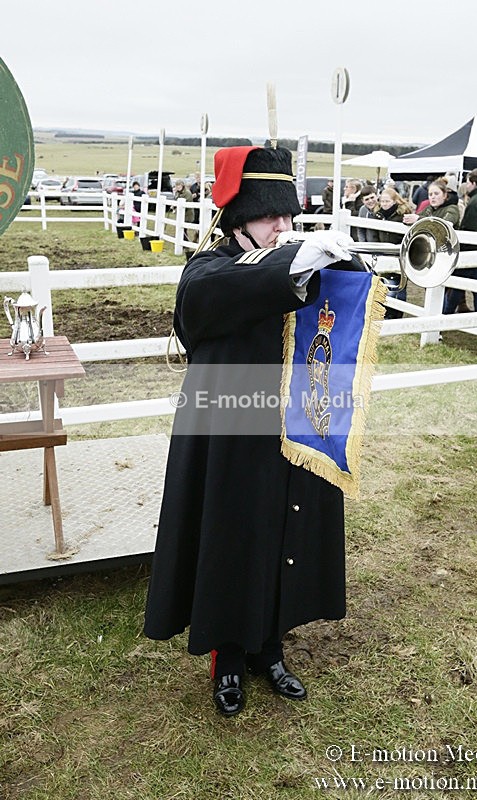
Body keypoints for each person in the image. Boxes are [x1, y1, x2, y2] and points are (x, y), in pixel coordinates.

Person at [144, 145, 364, 717]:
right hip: (231, 429)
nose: (283, 228)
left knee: (280, 536)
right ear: (240, 216)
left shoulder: (290, 259)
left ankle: (270, 648)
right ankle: (229, 661)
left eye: (288, 217)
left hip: (289, 426)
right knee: (232, 535)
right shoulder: (208, 268)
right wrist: (288, 264)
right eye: (272, 217)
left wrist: (345, 266)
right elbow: (211, 298)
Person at [443, 168, 477, 315]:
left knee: (457, 287)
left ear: (473, 183)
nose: (466, 185)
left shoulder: (475, 202)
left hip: (471, 251)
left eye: (467, 182)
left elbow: (469, 228)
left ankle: (445, 315)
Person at [373, 187, 414, 318]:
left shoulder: (402, 216)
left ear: (395, 201)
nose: (384, 204)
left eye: (387, 201)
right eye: (382, 201)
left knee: (399, 284)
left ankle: (397, 313)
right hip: (384, 253)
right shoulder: (378, 215)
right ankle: (387, 312)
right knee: (385, 283)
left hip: (398, 253)